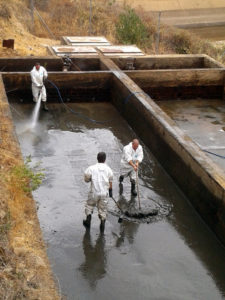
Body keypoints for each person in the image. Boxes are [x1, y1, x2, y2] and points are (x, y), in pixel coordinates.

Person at [83, 152, 113, 232]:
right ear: (105, 159)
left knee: (89, 205)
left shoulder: (91, 168)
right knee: (103, 210)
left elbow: (86, 178)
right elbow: (110, 180)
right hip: (104, 193)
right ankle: (102, 222)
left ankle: (88, 219)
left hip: (94, 192)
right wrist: (110, 190)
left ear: (97, 158)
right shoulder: (108, 169)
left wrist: (89, 180)